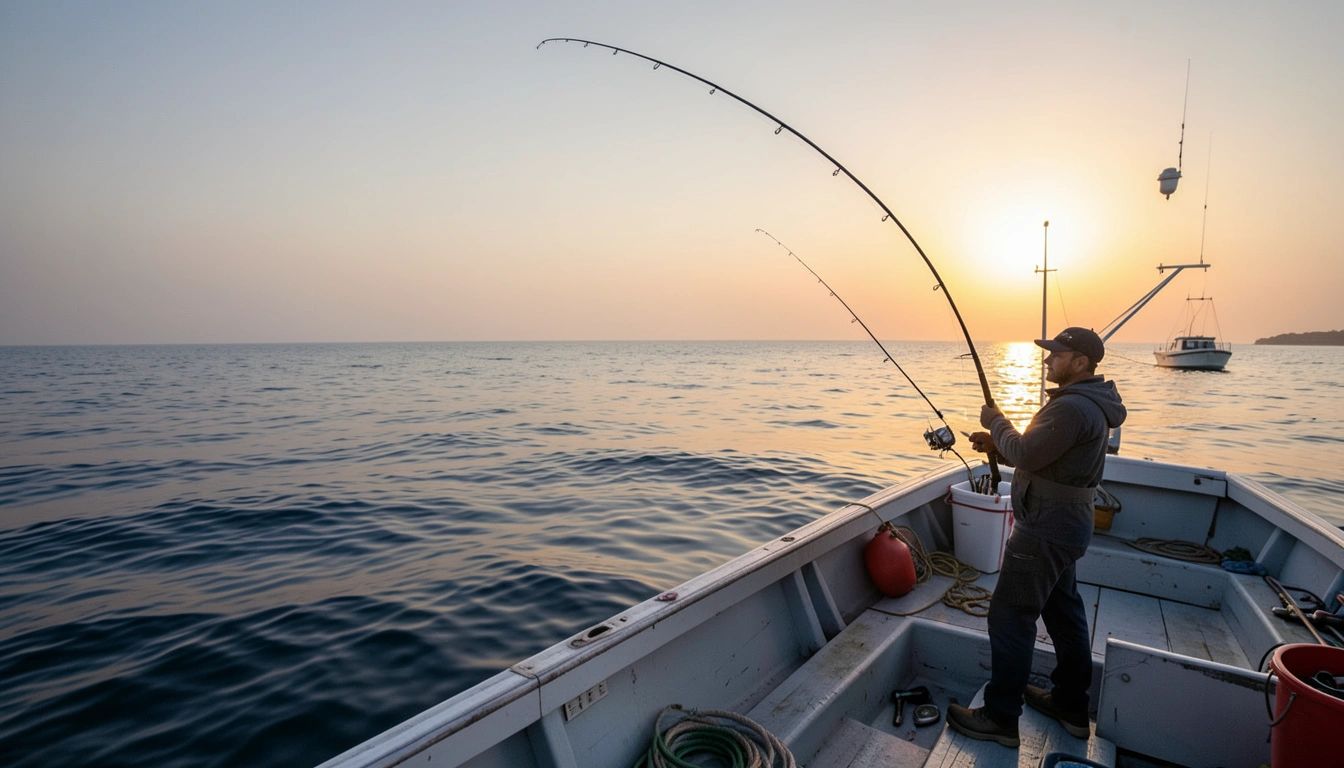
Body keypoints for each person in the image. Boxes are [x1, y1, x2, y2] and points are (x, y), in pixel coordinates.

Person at [946, 327, 1127, 747]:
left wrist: (996, 421)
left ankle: (1000, 716)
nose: (1048, 360)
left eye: (1057, 354)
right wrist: (998, 443)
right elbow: (1043, 456)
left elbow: (1027, 453)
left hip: (1045, 529)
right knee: (1063, 610)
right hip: (1067, 525)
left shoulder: (1071, 408)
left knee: (1010, 615)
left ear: (1081, 362)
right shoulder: (1089, 405)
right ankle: (1070, 704)